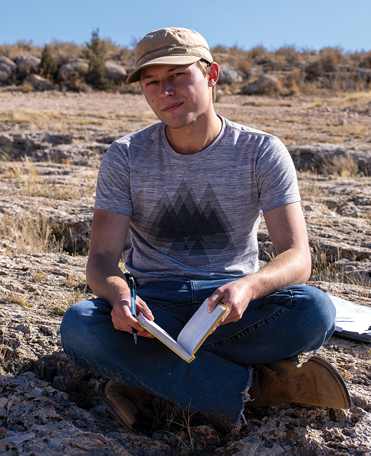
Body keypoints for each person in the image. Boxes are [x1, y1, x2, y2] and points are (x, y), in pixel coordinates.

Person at [60, 27, 351, 429]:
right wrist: (121, 295)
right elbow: (102, 258)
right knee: (80, 327)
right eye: (152, 82)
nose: (165, 91)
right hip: (156, 309)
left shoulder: (261, 151)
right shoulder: (125, 156)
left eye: (178, 75)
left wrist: (248, 287)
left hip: (232, 309)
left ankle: (145, 383)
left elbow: (298, 257)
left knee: (314, 311)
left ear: (211, 74)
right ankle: (256, 388)